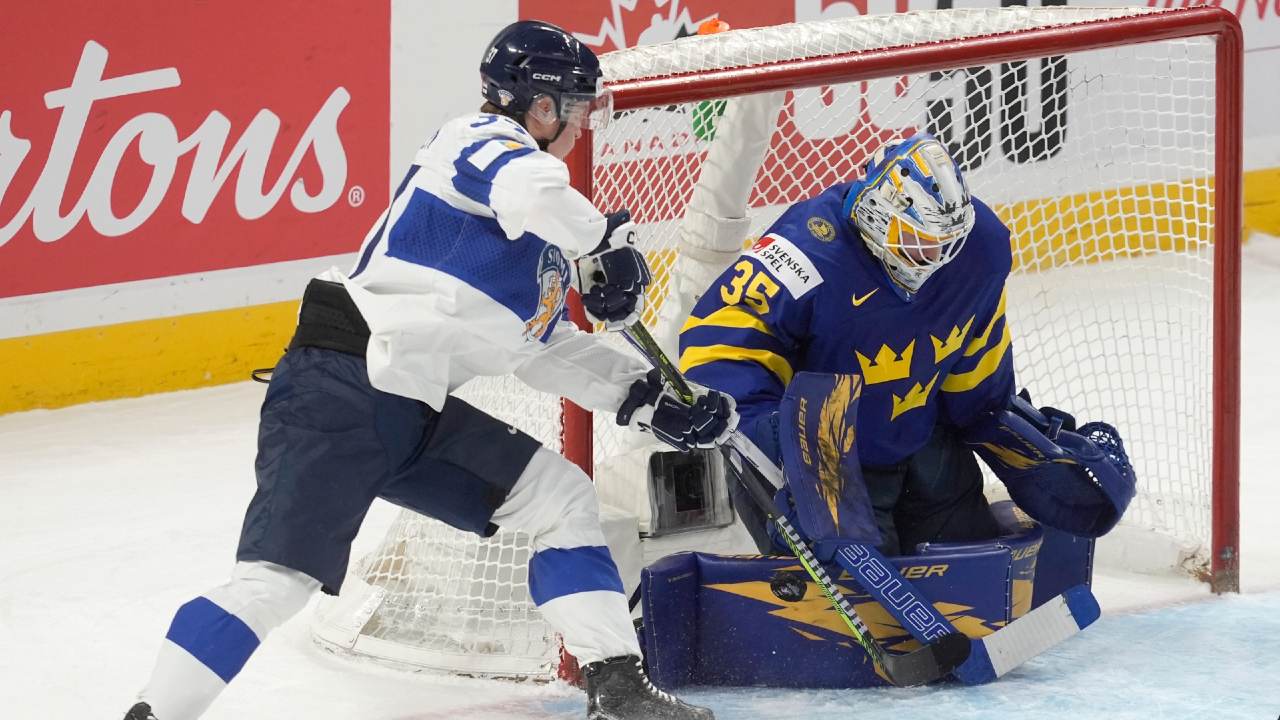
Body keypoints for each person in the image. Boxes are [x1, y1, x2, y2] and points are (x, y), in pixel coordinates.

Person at [123, 20, 735, 720]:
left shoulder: (536, 242)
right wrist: (604, 242)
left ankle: (619, 689)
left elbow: (544, 348)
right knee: (273, 585)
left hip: (409, 407)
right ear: (540, 106)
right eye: (575, 104)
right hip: (343, 387)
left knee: (562, 500)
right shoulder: (476, 143)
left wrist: (645, 397)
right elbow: (535, 192)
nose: (582, 120)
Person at [678, 132, 1134, 558]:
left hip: (919, 439)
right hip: (821, 460)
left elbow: (976, 361)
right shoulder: (805, 251)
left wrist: (1006, 427)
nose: (934, 258)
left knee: (968, 572)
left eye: (944, 243)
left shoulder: (980, 250)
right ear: (877, 216)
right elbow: (715, 344)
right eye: (917, 240)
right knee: (854, 603)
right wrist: (778, 440)